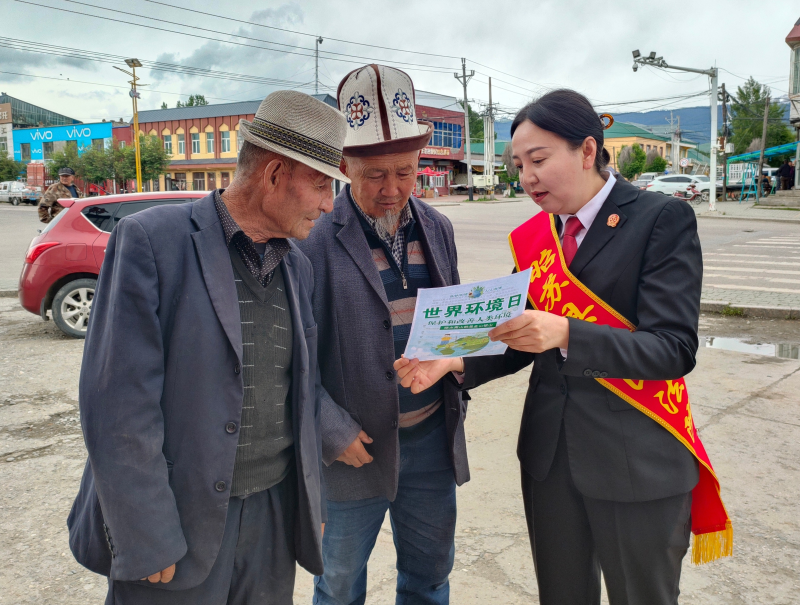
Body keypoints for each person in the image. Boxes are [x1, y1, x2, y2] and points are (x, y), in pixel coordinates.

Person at [395, 89, 731, 605]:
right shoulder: (536, 238)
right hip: (550, 461)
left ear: (588, 152)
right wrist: (454, 360)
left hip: (635, 459)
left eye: (539, 159)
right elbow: (516, 338)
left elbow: (672, 349)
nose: (526, 177)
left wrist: (569, 333)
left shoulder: (659, 219)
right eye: (519, 164)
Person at [67, 90, 350, 605]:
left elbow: (301, 395)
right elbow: (117, 404)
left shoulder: (297, 267)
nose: (330, 203)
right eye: (321, 183)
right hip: (177, 525)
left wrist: (313, 506)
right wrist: (147, 534)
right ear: (274, 174)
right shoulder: (152, 241)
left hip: (272, 522)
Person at [297, 65, 467, 605]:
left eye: (406, 171)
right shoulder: (313, 239)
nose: (392, 189)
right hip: (352, 453)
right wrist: (328, 430)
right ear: (344, 166)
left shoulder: (438, 228)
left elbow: (453, 327)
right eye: (374, 175)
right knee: (340, 582)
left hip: (431, 441)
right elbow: (289, 355)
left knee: (430, 575)